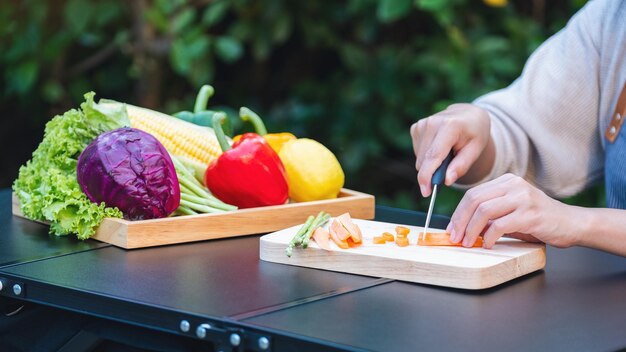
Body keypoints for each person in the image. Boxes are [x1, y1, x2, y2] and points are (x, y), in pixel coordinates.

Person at [410, 0, 626, 257]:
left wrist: (578, 222)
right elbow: (528, 132)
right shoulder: (612, 15)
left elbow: (571, 220)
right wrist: (476, 137)